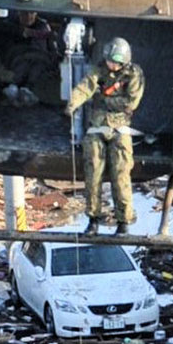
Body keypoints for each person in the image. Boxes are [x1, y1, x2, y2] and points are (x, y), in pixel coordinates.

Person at [67, 38, 144, 229]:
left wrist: (104, 99)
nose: (112, 65)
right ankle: (93, 219)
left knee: (121, 175)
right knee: (93, 174)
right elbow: (86, 87)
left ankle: (123, 221)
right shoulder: (98, 70)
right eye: (110, 61)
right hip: (97, 126)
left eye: (116, 63)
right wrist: (72, 103)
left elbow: (130, 103)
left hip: (120, 129)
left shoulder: (134, 74)